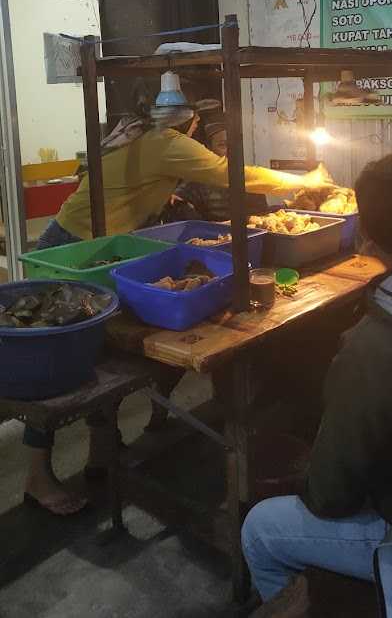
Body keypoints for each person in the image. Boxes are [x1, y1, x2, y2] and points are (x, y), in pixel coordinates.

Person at [25, 100, 333, 516]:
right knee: (53, 366)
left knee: (99, 350)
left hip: (94, 244)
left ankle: (102, 452)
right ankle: (37, 478)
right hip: (72, 249)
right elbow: (231, 174)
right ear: (190, 122)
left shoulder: (142, 139)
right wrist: (300, 177)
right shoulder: (166, 143)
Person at [242, 150, 392, 602]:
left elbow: (331, 495)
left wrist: (307, 472)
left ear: (364, 234)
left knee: (260, 528)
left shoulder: (371, 348)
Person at [165, 115, 268, 222]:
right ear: (209, 149)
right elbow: (176, 201)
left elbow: (263, 215)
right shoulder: (197, 181)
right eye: (223, 145)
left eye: (234, 144)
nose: (230, 150)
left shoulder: (248, 178)